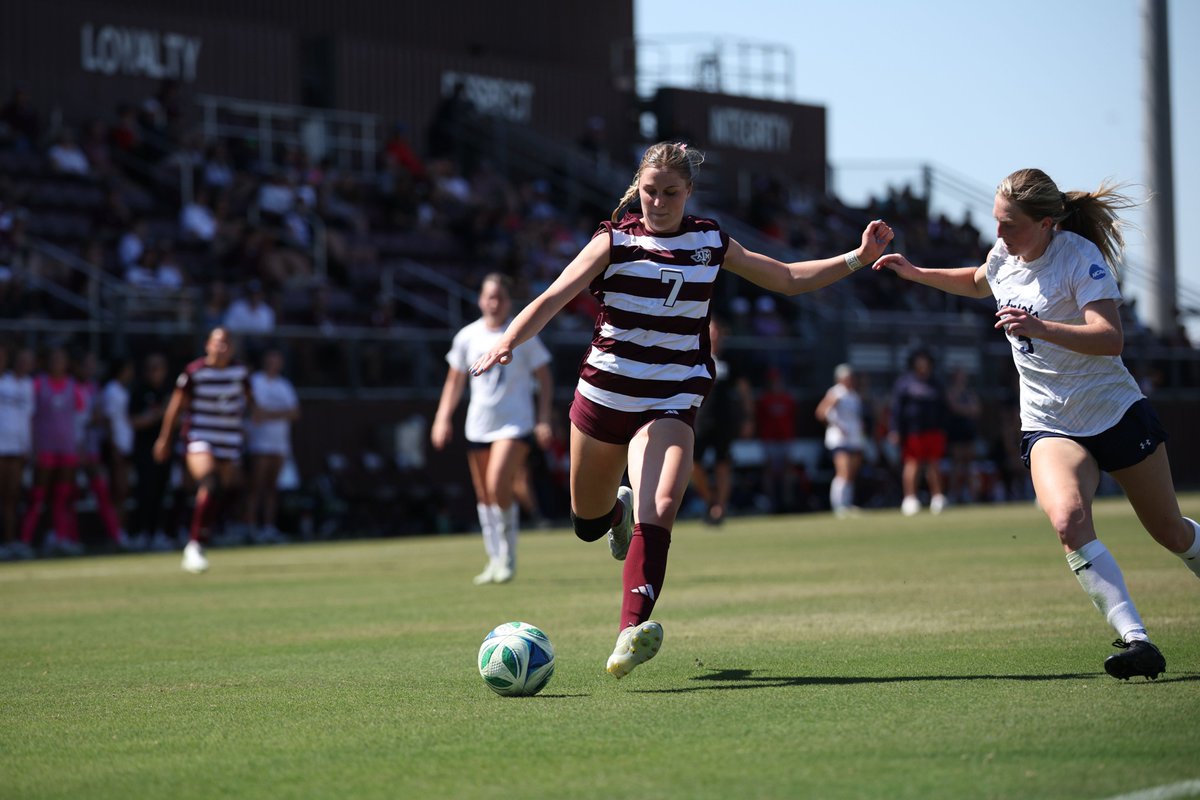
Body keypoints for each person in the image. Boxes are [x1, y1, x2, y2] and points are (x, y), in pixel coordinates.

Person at [469, 142, 894, 679]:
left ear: (689, 192)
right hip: (604, 396)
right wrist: (508, 340)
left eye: (671, 192)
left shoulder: (710, 240)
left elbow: (786, 278)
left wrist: (858, 257)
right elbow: (553, 297)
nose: (659, 201)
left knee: (663, 502)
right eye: (650, 191)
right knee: (587, 522)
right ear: (638, 189)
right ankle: (616, 513)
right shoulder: (614, 241)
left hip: (671, 398)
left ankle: (630, 630)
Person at [874, 167, 1200, 680]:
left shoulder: (1079, 257)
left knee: (1170, 532)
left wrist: (1040, 327)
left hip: (1115, 413)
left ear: (1046, 223)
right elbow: (978, 281)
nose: (998, 233)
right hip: (1050, 421)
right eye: (996, 221)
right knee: (1068, 520)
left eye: (1010, 224)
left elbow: (1110, 337)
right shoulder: (1003, 255)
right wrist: (915, 272)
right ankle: (1136, 639)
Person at [432, 273, 554, 585]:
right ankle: (494, 558)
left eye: (500, 297)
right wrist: (442, 417)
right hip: (479, 424)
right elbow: (454, 381)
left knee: (498, 482)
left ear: (509, 301)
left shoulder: (521, 333)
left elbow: (544, 377)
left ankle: (509, 556)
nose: (494, 303)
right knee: (485, 495)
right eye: (489, 296)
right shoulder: (467, 336)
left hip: (514, 424)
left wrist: (543, 417)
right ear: (480, 300)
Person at [153, 327, 253, 573]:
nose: (222, 347)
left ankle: (202, 536)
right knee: (210, 481)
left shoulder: (240, 373)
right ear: (208, 345)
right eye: (217, 342)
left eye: (226, 343)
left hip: (229, 439)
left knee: (218, 491)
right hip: (201, 436)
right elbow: (175, 407)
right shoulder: (194, 372)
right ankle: (193, 544)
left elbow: (250, 401)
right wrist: (165, 439)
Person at [19, 346, 84, 556]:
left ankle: (61, 537)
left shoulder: (73, 386)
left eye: (61, 359)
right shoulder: (37, 385)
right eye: (54, 359)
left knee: (62, 497)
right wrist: (31, 446)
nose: (57, 363)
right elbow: (28, 416)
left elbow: (80, 418)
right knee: (38, 496)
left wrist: (79, 446)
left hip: (67, 449)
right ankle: (24, 540)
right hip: (44, 448)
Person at [689, 317, 752, 525]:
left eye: (718, 331)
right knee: (693, 464)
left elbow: (744, 390)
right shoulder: (697, 356)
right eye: (711, 330)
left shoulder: (731, 359)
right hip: (700, 420)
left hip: (724, 420)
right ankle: (710, 499)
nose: (715, 335)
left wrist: (748, 418)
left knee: (723, 463)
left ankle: (720, 508)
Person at [243, 348, 300, 544]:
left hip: (280, 444)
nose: (273, 363)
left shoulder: (284, 385)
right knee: (255, 487)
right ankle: (250, 527)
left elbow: (294, 413)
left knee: (272, 489)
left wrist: (268, 414)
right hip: (259, 443)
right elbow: (254, 410)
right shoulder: (255, 381)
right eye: (270, 359)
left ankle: (268, 527)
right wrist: (278, 413)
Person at [889, 348, 948, 516]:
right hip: (912, 432)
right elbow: (896, 409)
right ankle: (910, 498)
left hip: (933, 430)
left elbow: (943, 407)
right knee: (912, 463)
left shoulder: (935, 383)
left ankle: (937, 497)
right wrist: (895, 430)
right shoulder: (904, 383)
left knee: (934, 464)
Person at [129, 353, 173, 551]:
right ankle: (140, 532)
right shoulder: (139, 391)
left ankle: (158, 533)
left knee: (162, 493)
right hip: (144, 450)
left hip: (166, 452)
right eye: (152, 368)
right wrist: (160, 413)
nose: (156, 373)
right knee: (145, 492)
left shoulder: (169, 391)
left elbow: (179, 420)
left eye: (159, 368)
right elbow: (135, 421)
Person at [815, 363, 866, 518]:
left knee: (851, 473)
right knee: (843, 471)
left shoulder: (854, 395)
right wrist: (836, 426)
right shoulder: (836, 393)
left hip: (854, 438)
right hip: (840, 439)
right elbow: (821, 412)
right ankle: (838, 505)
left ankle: (847, 503)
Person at [0, 345, 35, 558]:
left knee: (11, 497)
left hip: (15, 449)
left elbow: (27, 418)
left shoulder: (26, 385)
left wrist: (26, 446)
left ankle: (10, 541)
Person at [944, 366, 982, 504]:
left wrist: (965, 410)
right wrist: (967, 410)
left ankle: (971, 494)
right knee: (956, 464)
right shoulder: (951, 392)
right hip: (956, 433)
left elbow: (976, 409)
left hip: (968, 432)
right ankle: (954, 493)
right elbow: (954, 408)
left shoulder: (969, 392)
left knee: (970, 465)